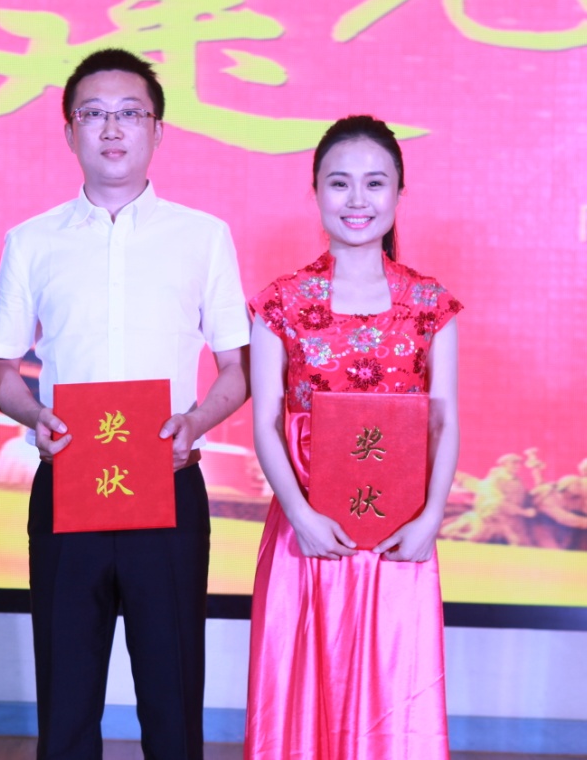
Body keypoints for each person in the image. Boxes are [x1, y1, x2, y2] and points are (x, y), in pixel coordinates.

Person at [0, 48, 250, 759]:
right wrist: (33, 415)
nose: (112, 129)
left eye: (130, 113)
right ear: (68, 130)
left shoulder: (203, 237)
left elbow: (237, 369)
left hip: (168, 487)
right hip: (67, 485)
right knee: (67, 703)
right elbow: (1, 372)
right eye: (94, 114)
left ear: (157, 131)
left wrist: (196, 422)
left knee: (172, 701)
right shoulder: (31, 241)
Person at [244, 115, 461, 759]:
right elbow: (265, 421)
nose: (357, 200)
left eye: (375, 183)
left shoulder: (430, 303)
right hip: (305, 531)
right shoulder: (281, 302)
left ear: (399, 192)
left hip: (401, 534)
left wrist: (431, 518)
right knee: (303, 698)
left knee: (392, 699)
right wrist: (302, 517)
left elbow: (444, 419)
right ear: (315, 190)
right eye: (340, 183)